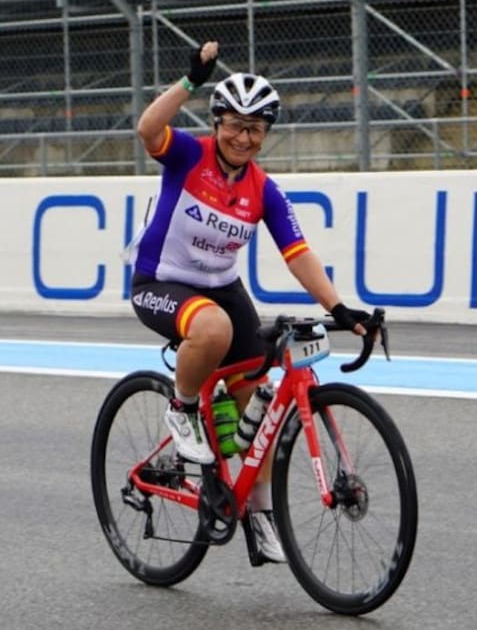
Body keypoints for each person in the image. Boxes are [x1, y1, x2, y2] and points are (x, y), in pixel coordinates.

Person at [128, 40, 369, 563]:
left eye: (256, 129)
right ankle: (183, 408)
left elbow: (298, 254)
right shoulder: (189, 156)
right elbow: (148, 130)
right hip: (161, 282)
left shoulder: (264, 190)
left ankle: (253, 509)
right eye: (235, 125)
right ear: (216, 124)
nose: (244, 137)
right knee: (211, 331)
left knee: (255, 407)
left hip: (221, 287)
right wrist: (190, 81)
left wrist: (339, 308)